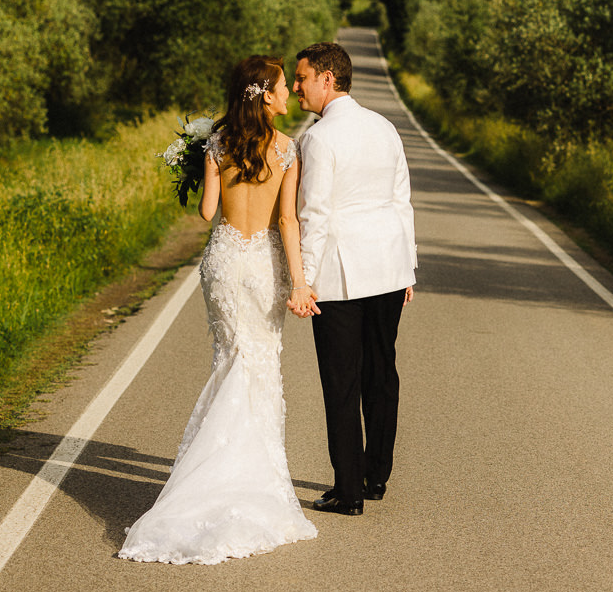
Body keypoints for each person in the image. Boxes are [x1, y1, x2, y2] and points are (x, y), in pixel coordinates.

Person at [119, 55, 319, 564]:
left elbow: (208, 212)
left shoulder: (218, 143)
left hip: (224, 262)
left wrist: (200, 160)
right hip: (263, 264)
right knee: (259, 363)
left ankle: (209, 475)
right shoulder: (287, 150)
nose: (286, 94)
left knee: (231, 359)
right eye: (280, 86)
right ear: (265, 94)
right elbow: (288, 223)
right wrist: (299, 283)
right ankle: (248, 478)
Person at [293, 41, 416, 517]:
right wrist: (409, 267)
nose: (298, 87)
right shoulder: (385, 128)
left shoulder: (319, 139)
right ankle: (376, 476)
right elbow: (400, 201)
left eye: (302, 78)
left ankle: (349, 491)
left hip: (341, 278)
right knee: (381, 374)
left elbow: (315, 214)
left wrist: (302, 279)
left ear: (328, 78)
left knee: (341, 383)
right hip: (388, 269)